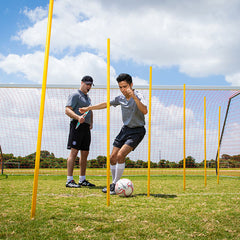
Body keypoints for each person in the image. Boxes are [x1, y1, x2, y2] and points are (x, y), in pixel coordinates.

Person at [79, 73, 147, 194]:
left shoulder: (138, 95)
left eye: (125, 86)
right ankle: (115, 183)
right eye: (120, 87)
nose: (123, 90)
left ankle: (115, 185)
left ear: (131, 85)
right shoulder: (120, 98)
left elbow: (145, 110)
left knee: (120, 156)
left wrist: (135, 98)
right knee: (112, 158)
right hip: (125, 129)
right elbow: (106, 104)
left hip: (137, 130)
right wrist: (88, 108)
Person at [65, 76, 95, 188]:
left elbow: (90, 111)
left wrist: (91, 122)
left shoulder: (88, 98)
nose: (88, 87)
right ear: (81, 83)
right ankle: (69, 180)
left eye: (90, 85)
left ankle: (82, 179)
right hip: (77, 126)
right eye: (87, 84)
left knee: (85, 153)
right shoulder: (75, 95)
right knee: (74, 152)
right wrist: (78, 117)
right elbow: (67, 109)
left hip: (86, 128)